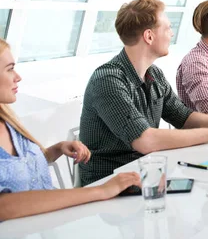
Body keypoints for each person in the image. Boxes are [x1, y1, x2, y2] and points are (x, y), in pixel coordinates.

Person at [79, 0, 208, 186]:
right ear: (149, 37)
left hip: (145, 175)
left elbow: (183, 116)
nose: (171, 34)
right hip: (108, 187)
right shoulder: (107, 80)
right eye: (167, 28)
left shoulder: (154, 74)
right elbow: (145, 140)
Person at [0, 39, 141, 221]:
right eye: (9, 69)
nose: (17, 77)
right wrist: (102, 190)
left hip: (51, 227)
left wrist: (57, 149)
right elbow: (5, 205)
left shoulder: (8, 121)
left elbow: (16, 170)